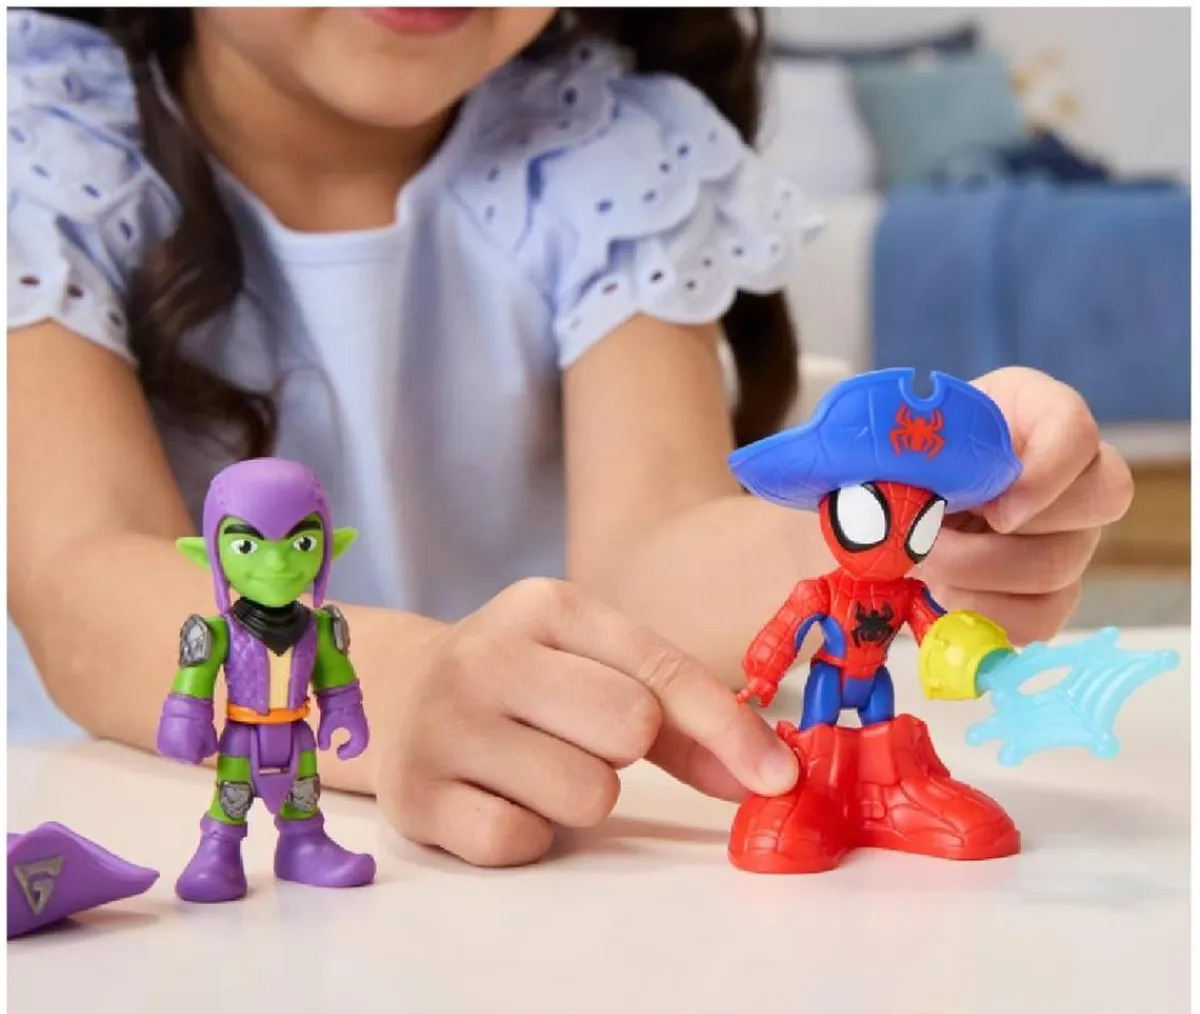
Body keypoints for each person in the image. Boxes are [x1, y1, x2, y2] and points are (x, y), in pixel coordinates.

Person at [8, 8, 1132, 868]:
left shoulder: (599, 149)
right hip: (143, 854)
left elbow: (651, 559)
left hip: (543, 892)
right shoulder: (42, 141)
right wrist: (404, 688)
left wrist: (894, 526)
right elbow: (79, 578)